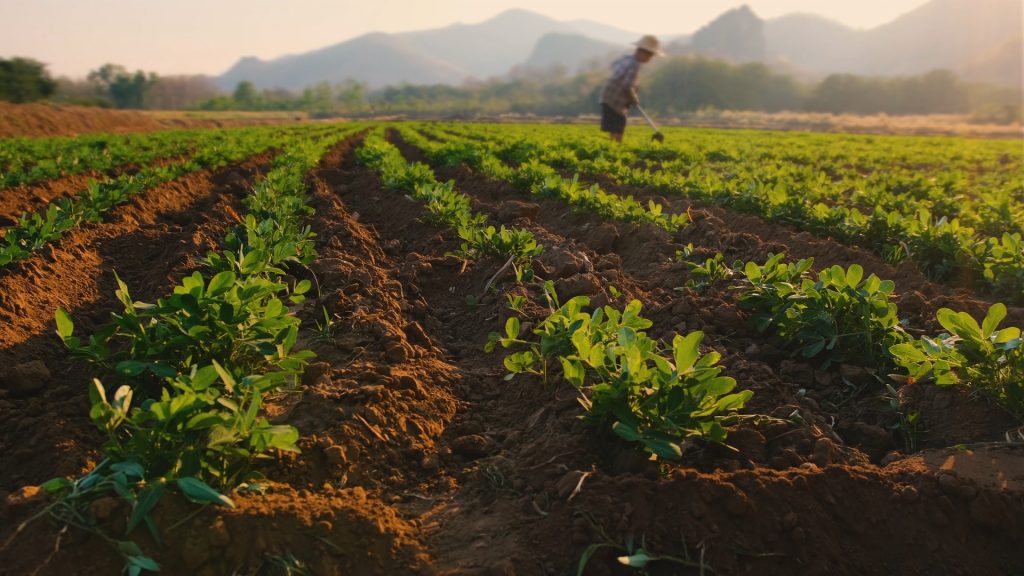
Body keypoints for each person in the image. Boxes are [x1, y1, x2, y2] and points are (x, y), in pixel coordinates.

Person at [599, 35, 664, 142]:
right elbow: (627, 86)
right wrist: (633, 99)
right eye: (650, 56)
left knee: (613, 128)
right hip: (616, 101)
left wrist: (630, 98)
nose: (650, 59)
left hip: (607, 97)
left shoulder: (627, 57)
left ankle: (612, 149)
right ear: (643, 52)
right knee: (618, 127)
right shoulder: (635, 65)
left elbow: (613, 67)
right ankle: (615, 151)